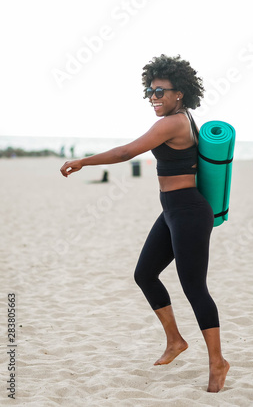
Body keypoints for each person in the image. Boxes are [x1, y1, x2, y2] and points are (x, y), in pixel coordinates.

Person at [60, 54, 229, 393]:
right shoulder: (181, 117)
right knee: (144, 274)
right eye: (150, 91)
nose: (154, 97)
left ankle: (217, 362)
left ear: (179, 93)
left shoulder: (173, 122)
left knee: (194, 288)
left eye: (160, 91)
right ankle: (174, 340)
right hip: (173, 210)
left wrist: (83, 161)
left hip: (188, 211)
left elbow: (126, 153)